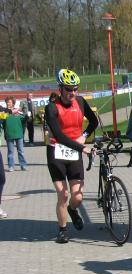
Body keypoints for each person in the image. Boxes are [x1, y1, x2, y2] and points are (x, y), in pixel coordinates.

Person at [45, 69, 99, 244]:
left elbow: (94, 121)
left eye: (75, 89)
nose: (73, 93)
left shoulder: (81, 102)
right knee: (63, 194)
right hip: (56, 152)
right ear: (60, 88)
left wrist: (84, 136)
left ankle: (72, 210)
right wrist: (82, 148)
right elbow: (59, 136)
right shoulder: (51, 108)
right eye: (69, 89)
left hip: (75, 151)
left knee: (78, 197)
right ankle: (62, 230)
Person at [3, 96, 27, 171]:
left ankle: (23, 165)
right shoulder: (4, 112)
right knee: (10, 152)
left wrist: (26, 117)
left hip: (19, 134)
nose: (8, 103)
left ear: (13, 103)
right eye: (7, 102)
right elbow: (2, 122)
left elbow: (23, 120)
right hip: (9, 134)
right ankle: (11, 166)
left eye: (9, 102)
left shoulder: (18, 112)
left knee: (21, 151)